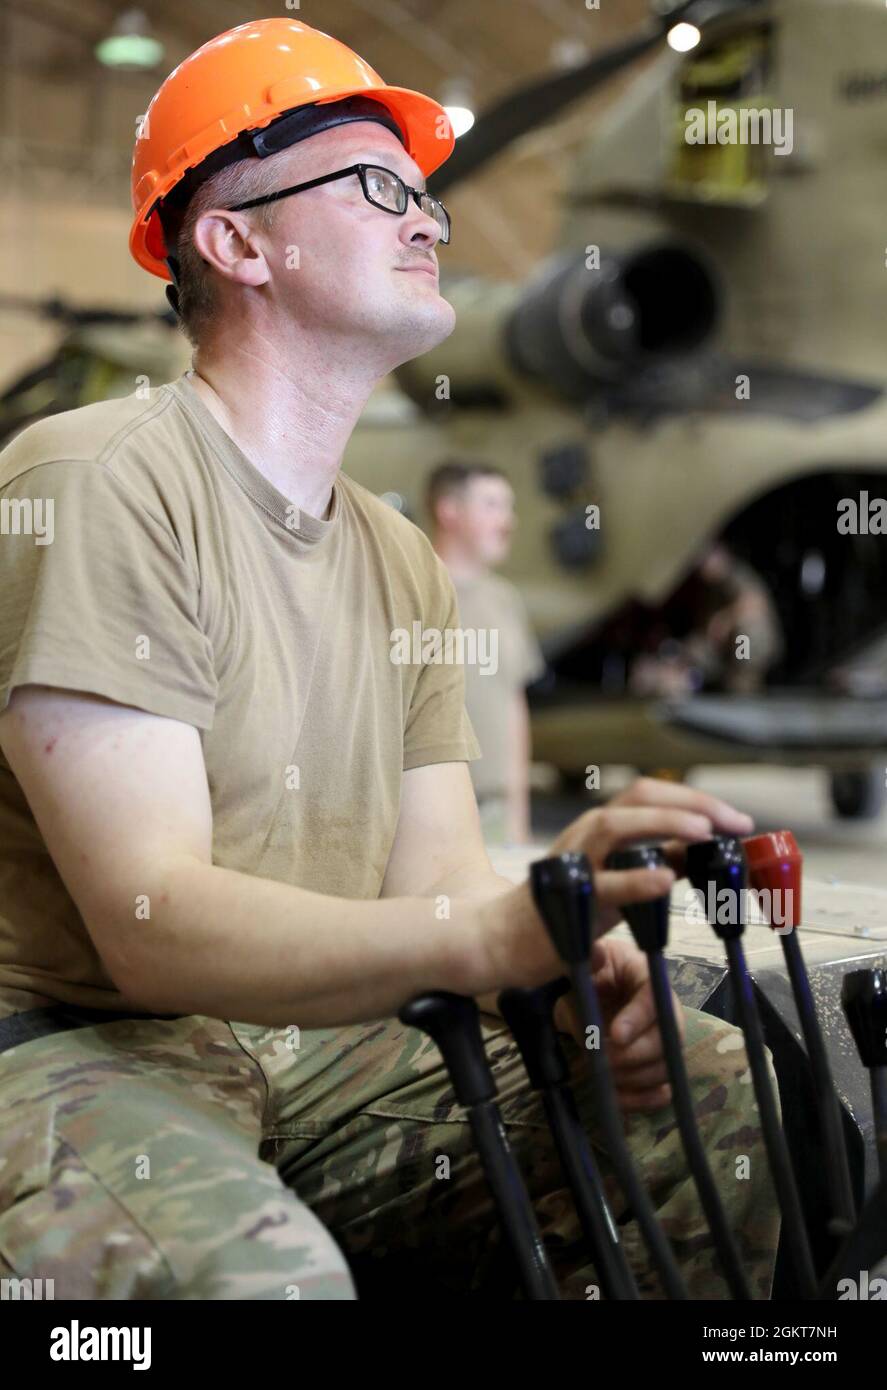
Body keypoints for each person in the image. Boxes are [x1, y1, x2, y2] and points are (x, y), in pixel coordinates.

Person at [0, 18, 779, 1300]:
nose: (427, 219)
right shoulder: (97, 480)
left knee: (711, 1106)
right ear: (236, 242)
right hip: (76, 1038)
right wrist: (482, 939)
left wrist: (562, 955)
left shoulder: (398, 554)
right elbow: (149, 924)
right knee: (264, 1282)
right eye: (375, 186)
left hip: (306, 1037)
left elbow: (434, 881)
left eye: (425, 195)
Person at [428, 461, 545, 845]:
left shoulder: (504, 599)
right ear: (450, 511)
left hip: (493, 812)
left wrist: (518, 817)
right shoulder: (413, 590)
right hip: (429, 810)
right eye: (492, 506)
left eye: (509, 507)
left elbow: (513, 706)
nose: (507, 520)